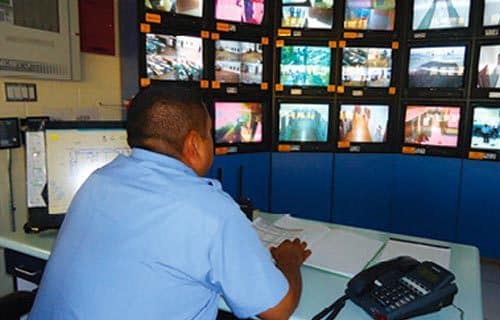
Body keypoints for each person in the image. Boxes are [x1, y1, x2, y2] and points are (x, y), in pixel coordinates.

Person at [28, 86, 311, 319]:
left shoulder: (98, 181)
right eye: (210, 135)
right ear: (194, 144)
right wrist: (289, 260)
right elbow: (278, 310)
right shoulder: (211, 211)